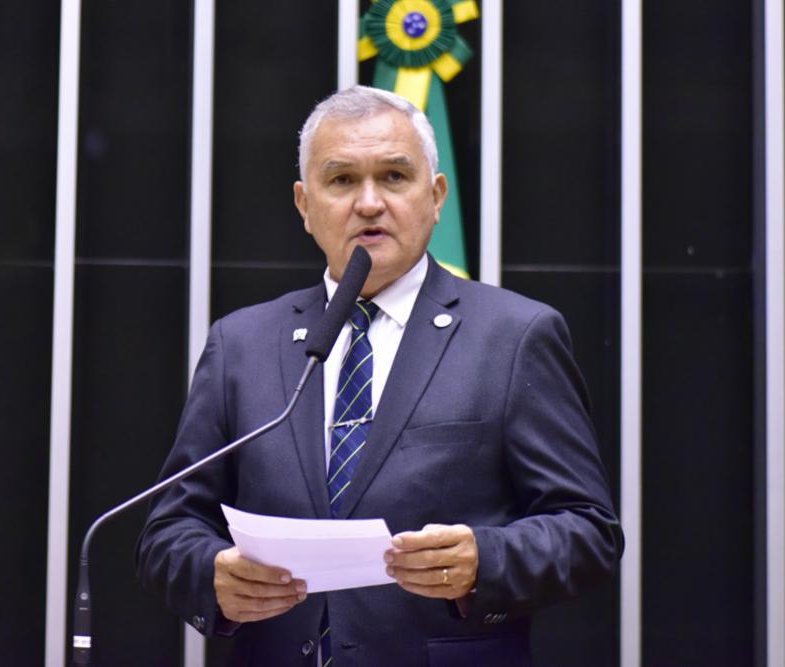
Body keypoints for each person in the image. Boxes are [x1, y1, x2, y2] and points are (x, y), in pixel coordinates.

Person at [137, 85, 623, 666]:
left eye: (394, 176)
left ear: (436, 195)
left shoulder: (514, 336)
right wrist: (212, 575)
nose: (369, 202)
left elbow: (589, 531)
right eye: (341, 180)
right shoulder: (241, 343)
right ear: (303, 204)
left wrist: (484, 560)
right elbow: (169, 529)